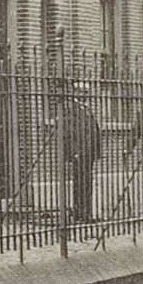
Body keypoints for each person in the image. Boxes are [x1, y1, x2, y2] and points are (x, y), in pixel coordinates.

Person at [60, 90, 102, 223]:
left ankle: (87, 213)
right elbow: (68, 132)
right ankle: (80, 213)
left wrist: (97, 151)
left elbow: (95, 130)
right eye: (83, 91)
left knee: (87, 183)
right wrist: (74, 152)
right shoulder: (71, 109)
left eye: (87, 91)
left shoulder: (88, 109)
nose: (86, 94)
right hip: (79, 153)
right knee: (80, 184)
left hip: (89, 153)